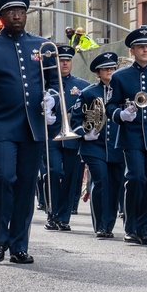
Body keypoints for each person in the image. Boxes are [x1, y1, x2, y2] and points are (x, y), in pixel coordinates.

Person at [0, 0, 58, 264]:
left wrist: (52, 99)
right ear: (1, 17)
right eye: (11, 12)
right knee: (4, 179)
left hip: (33, 126)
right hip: (1, 126)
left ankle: (19, 245)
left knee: (26, 186)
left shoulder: (42, 46)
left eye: (21, 11)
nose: (17, 15)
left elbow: (54, 83)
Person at [107, 28, 147, 245]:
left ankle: (144, 228)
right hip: (131, 135)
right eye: (141, 47)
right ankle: (131, 227)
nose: (146, 50)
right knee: (136, 178)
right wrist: (121, 114)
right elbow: (110, 105)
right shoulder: (120, 76)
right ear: (132, 51)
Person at [72, 52, 124, 238]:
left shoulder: (123, 90)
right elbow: (75, 120)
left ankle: (109, 224)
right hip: (94, 147)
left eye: (112, 68)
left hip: (118, 146)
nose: (110, 71)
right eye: (106, 69)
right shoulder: (88, 93)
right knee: (101, 182)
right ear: (98, 72)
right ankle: (101, 225)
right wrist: (85, 134)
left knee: (115, 185)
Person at [45, 44, 87, 228]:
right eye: (60, 60)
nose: (64, 64)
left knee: (71, 177)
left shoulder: (83, 86)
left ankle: (64, 218)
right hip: (51, 135)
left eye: (67, 60)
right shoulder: (44, 85)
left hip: (72, 137)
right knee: (53, 172)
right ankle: (51, 212)